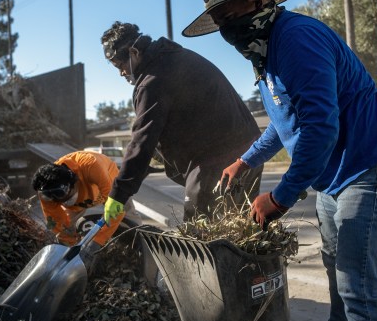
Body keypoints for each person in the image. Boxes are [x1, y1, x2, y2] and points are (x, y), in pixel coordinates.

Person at [183, 0, 377, 321]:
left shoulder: (297, 40)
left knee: (357, 280)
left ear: (257, 1)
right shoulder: (266, 54)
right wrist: (245, 160)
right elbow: (284, 123)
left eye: (227, 13)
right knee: (335, 262)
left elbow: (320, 127)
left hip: (370, 165)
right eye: (217, 19)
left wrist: (281, 196)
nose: (224, 27)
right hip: (333, 176)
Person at [100, 21, 263, 227]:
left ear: (133, 52)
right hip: (250, 153)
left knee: (202, 236)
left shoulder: (153, 80)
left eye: (120, 66)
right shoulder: (174, 58)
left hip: (217, 162)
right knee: (242, 228)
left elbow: (142, 140)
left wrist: (118, 194)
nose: (122, 73)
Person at [32, 150, 133, 247]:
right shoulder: (46, 190)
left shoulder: (90, 165)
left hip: (109, 184)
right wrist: (72, 245)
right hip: (78, 204)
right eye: (51, 197)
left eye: (60, 193)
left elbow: (116, 208)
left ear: (74, 181)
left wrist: (98, 241)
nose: (59, 201)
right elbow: (56, 224)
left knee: (130, 218)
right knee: (67, 229)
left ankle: (142, 241)